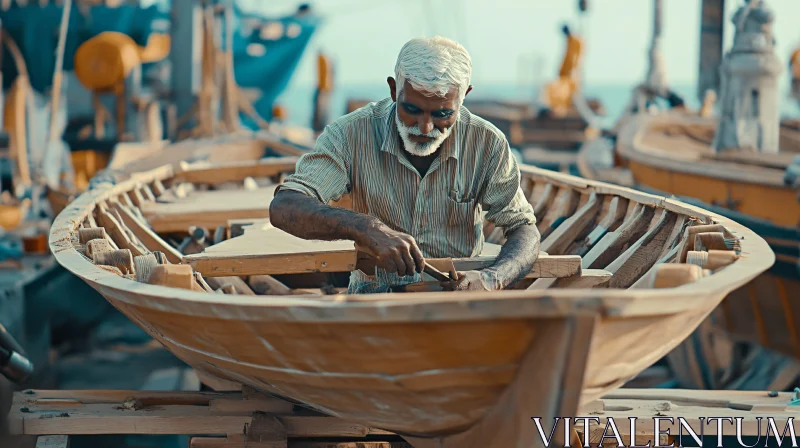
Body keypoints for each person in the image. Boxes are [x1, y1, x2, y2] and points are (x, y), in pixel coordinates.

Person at [269, 36, 540, 294]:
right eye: (411, 110)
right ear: (393, 89)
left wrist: (492, 279)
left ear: (464, 96)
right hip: (374, 299)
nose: (425, 127)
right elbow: (285, 206)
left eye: (442, 114)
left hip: (457, 302)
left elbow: (524, 229)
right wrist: (367, 228)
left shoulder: (487, 142)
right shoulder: (349, 134)